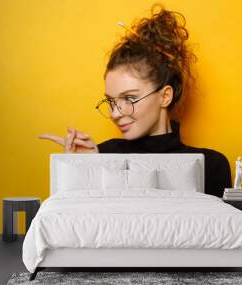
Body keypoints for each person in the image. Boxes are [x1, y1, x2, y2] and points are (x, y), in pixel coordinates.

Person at [38, 3, 231, 197]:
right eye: (111, 101)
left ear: (165, 96)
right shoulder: (102, 156)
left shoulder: (211, 165)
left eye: (129, 98)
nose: (114, 113)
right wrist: (82, 171)